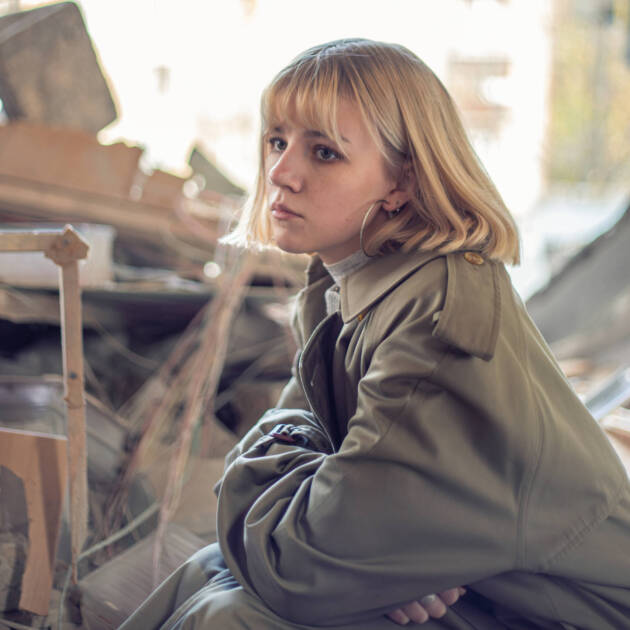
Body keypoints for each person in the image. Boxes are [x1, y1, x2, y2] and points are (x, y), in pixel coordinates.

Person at [120, 38, 630, 629]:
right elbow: (287, 448)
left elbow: (299, 563)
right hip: (487, 590)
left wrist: (358, 559)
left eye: (325, 153)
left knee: (232, 617)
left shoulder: (437, 322)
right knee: (208, 573)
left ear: (402, 183)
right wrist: (373, 564)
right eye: (278, 141)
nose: (282, 173)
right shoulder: (350, 285)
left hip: (561, 616)